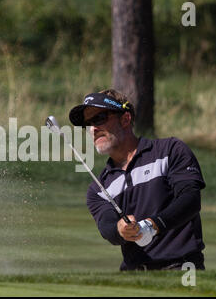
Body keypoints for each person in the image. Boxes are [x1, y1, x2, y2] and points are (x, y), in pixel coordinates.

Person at [68, 89, 206, 271]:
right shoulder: (98, 188)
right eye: (88, 124)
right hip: (134, 275)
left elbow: (190, 200)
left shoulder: (170, 151)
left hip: (181, 268)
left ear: (125, 119)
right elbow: (106, 226)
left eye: (99, 118)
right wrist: (120, 229)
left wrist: (153, 224)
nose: (93, 129)